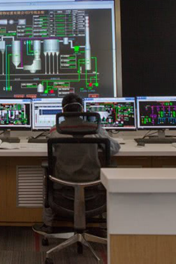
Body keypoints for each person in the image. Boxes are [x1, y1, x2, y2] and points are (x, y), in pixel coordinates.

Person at [39, 93, 120, 230]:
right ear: (82, 110)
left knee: (47, 175)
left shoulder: (55, 131)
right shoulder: (94, 128)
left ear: (63, 111)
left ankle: (47, 224)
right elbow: (113, 148)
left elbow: (52, 152)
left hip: (62, 188)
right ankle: (108, 226)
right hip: (93, 188)